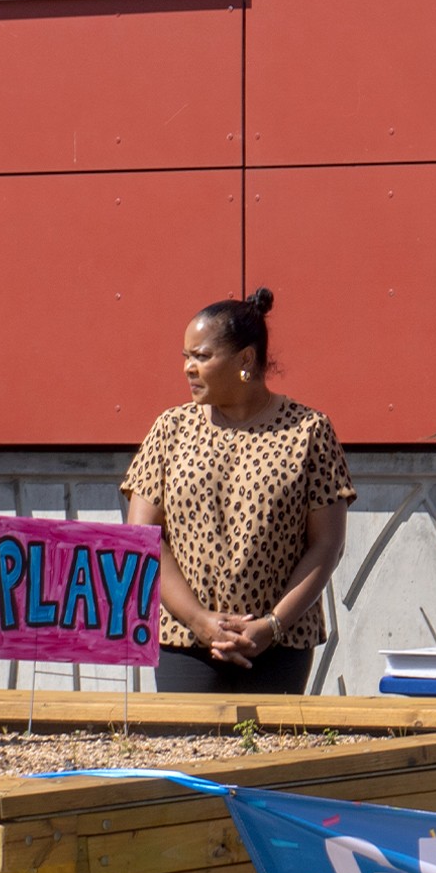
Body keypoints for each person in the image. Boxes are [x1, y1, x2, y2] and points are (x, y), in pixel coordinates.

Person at [124, 289, 355, 694]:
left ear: (245, 360)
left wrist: (272, 624)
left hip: (279, 646)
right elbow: (143, 539)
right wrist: (198, 620)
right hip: (184, 643)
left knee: (269, 754)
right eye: (186, 358)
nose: (189, 369)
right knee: (187, 755)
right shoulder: (169, 430)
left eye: (202, 357)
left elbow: (326, 544)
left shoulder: (309, 431)